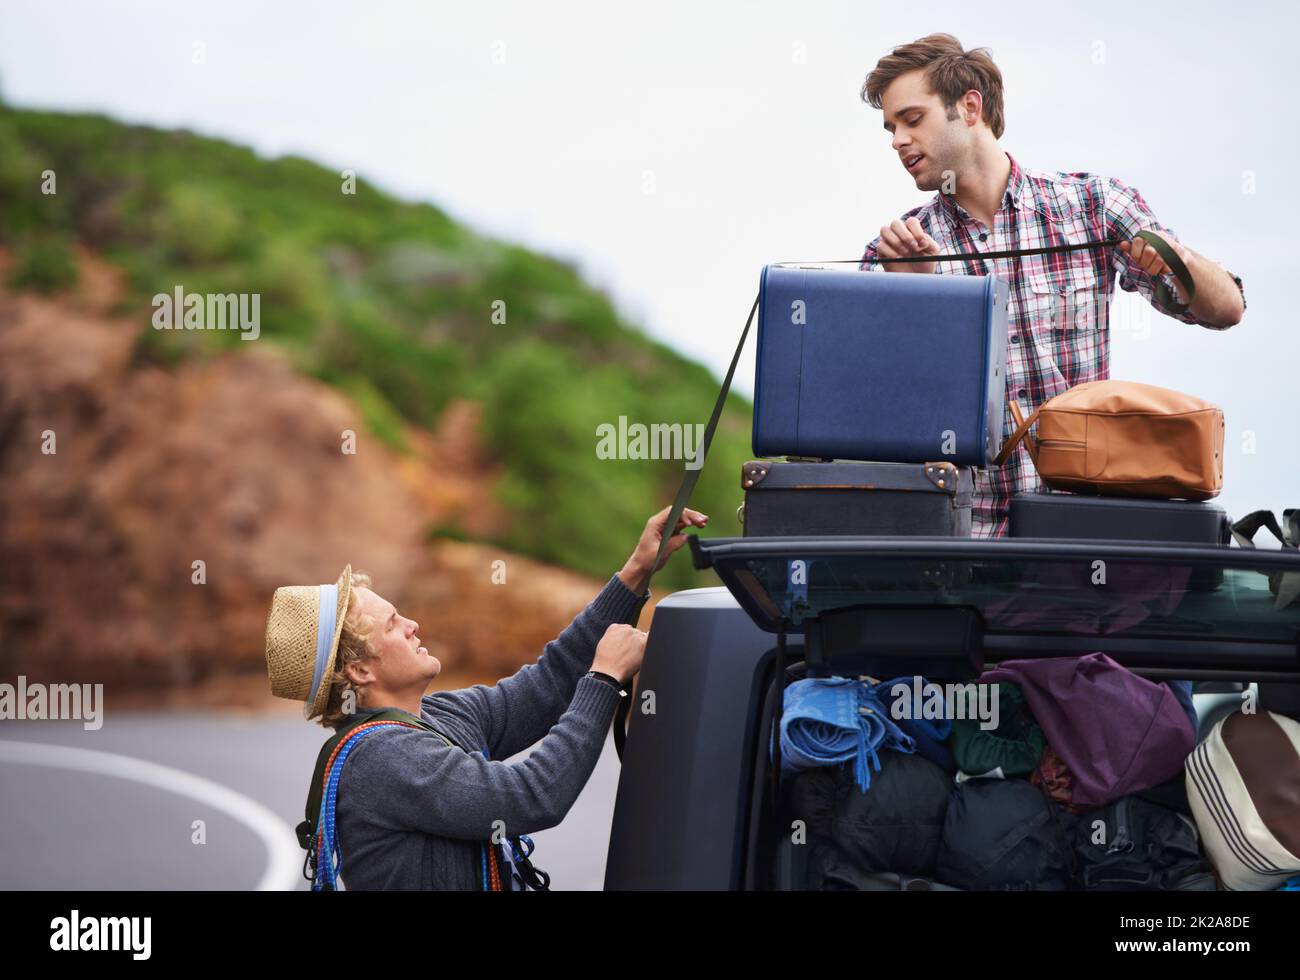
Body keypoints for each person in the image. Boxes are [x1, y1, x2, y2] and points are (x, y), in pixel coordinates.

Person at [858, 33, 1246, 539]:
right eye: (890, 129)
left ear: (969, 107)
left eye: (912, 120)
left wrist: (1178, 260)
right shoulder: (896, 254)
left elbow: (1226, 309)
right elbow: (874, 414)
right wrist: (914, 300)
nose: (897, 141)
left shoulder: (1092, 205)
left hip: (1078, 538)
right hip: (954, 546)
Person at [263, 505, 708, 890]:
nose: (413, 624)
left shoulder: (431, 717)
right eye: (393, 623)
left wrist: (635, 573)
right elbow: (533, 796)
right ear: (359, 670)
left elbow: (548, 682)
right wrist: (604, 677)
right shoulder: (383, 758)